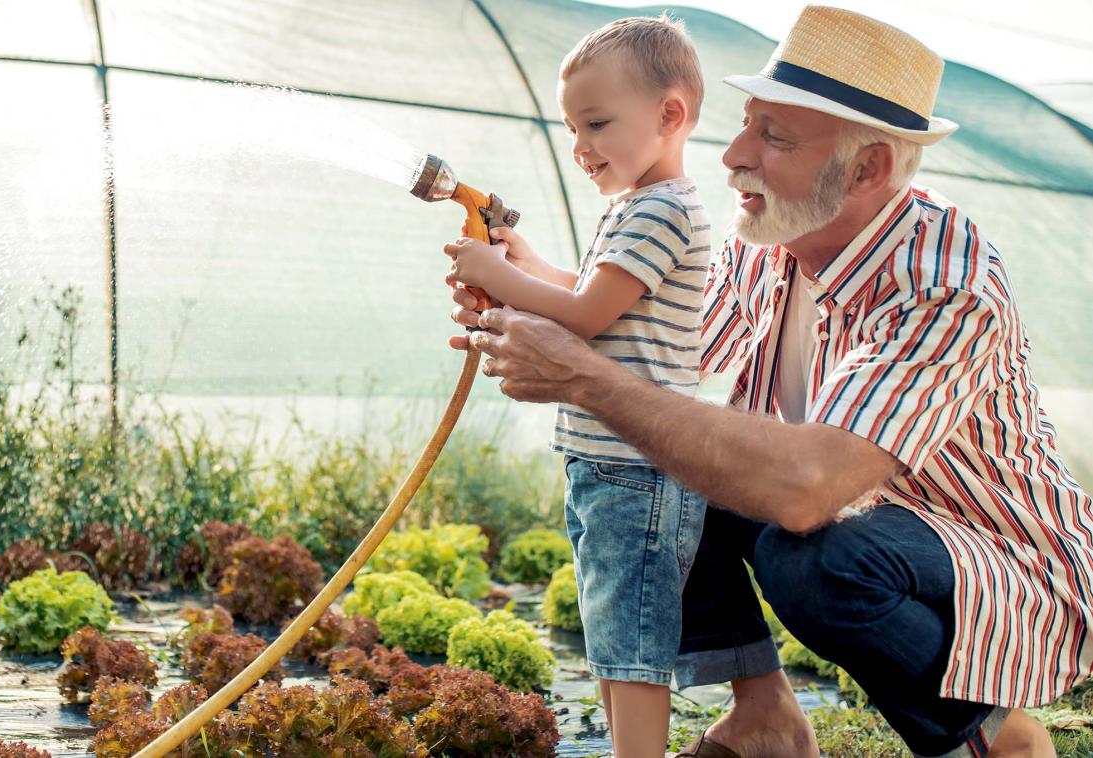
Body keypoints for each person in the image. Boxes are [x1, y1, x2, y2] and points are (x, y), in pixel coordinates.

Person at [447, 6, 1090, 758]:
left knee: (820, 560)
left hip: (990, 552)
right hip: (848, 506)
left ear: (867, 168)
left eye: (773, 136)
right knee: (662, 462)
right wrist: (530, 281)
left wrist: (583, 378)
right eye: (749, 122)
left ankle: (993, 739)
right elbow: (665, 346)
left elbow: (807, 487)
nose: (733, 155)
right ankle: (763, 719)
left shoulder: (944, 280)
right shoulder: (770, 233)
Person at [442, 14, 712, 758]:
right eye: (571, 127)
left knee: (628, 642)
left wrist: (499, 277)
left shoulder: (662, 207)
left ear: (668, 115)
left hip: (634, 467)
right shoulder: (634, 207)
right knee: (609, 629)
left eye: (596, 122)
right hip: (607, 463)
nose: (579, 146)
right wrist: (526, 268)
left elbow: (588, 316)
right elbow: (591, 293)